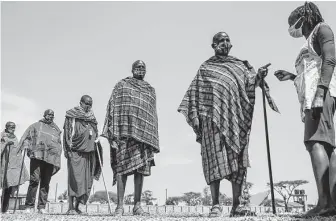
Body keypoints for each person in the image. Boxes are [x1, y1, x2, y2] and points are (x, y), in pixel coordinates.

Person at [177, 32, 279, 217]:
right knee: (214, 160)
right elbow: (194, 95)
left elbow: (250, 84)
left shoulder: (239, 67)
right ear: (213, 45)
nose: (224, 43)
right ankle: (215, 205)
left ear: (231, 44)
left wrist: (259, 77)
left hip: (235, 121)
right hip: (211, 121)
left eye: (227, 40)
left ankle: (237, 205)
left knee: (237, 161)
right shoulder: (205, 68)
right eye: (220, 41)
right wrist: (197, 118)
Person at [274, 1, 336, 217]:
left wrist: (320, 92)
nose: (292, 29)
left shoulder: (322, 29)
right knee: (321, 143)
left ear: (305, 18)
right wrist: (291, 76)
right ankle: (329, 202)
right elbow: (311, 68)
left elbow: (330, 59)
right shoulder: (309, 40)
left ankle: (324, 203)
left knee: (315, 142)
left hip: (321, 94)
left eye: (293, 24)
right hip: (312, 95)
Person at [99, 60, 159, 216]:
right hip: (124, 134)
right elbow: (112, 107)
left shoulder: (150, 90)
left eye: (143, 68)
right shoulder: (122, 86)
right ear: (132, 69)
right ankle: (119, 206)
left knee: (140, 170)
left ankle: (137, 205)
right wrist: (112, 133)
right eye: (138, 67)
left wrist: (152, 136)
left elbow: (152, 115)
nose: (141, 69)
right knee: (121, 170)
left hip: (143, 137)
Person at [63, 95, 102, 214]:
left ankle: (77, 207)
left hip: (89, 153)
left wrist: (96, 140)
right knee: (74, 180)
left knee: (86, 181)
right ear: (80, 103)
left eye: (90, 104)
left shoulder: (92, 117)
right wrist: (67, 150)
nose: (88, 106)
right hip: (75, 152)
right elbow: (67, 134)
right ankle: (70, 207)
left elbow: (95, 132)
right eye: (86, 103)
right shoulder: (72, 115)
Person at [18, 109, 62, 214]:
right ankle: (29, 206)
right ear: (44, 115)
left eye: (53, 115)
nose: (51, 116)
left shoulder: (55, 129)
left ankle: (41, 207)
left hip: (50, 158)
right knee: (34, 180)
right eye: (49, 114)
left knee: (45, 182)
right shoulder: (36, 126)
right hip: (37, 156)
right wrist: (25, 144)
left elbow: (58, 144)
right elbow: (27, 136)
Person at [1, 122, 29, 213]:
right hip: (4, 165)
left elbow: (17, 150)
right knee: (5, 186)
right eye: (11, 127)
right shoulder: (2, 136)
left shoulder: (15, 137)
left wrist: (24, 145)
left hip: (13, 166)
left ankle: (4, 209)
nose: (13, 129)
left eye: (14, 127)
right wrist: (5, 144)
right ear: (7, 127)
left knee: (9, 186)